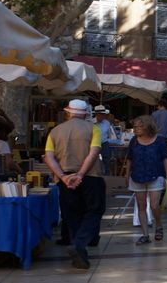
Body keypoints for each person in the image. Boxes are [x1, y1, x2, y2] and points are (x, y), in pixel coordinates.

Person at [43, 99, 105, 270]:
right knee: (94, 211)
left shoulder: (55, 131)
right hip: (91, 177)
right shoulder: (93, 129)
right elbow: (94, 153)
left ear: (68, 112)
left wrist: (63, 177)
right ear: (85, 113)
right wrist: (81, 174)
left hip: (66, 179)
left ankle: (79, 249)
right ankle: (79, 244)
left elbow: (49, 157)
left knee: (72, 215)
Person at [125, 115, 167, 245]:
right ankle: (145, 234)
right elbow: (129, 158)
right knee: (141, 206)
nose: (136, 129)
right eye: (135, 127)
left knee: (155, 205)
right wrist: (127, 174)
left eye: (140, 126)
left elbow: (165, 159)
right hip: (137, 176)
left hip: (156, 175)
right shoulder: (134, 141)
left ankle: (159, 225)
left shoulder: (159, 140)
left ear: (148, 126)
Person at [94, 106, 119, 175]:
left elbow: (110, 134)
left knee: (106, 160)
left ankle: (107, 175)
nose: (102, 116)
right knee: (94, 160)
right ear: (96, 114)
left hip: (104, 143)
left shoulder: (107, 123)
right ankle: (96, 174)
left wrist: (114, 140)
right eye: (101, 114)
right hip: (94, 144)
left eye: (103, 114)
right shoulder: (91, 122)